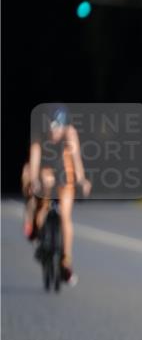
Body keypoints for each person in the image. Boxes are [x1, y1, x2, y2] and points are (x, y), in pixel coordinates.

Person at [27, 106, 91, 285]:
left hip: (64, 171)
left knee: (65, 216)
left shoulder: (70, 133)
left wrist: (82, 180)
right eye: (51, 127)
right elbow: (34, 159)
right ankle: (39, 234)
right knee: (43, 201)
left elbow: (76, 159)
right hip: (46, 169)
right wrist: (35, 180)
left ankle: (66, 261)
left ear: (64, 126)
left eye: (57, 127)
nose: (53, 131)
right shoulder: (39, 134)